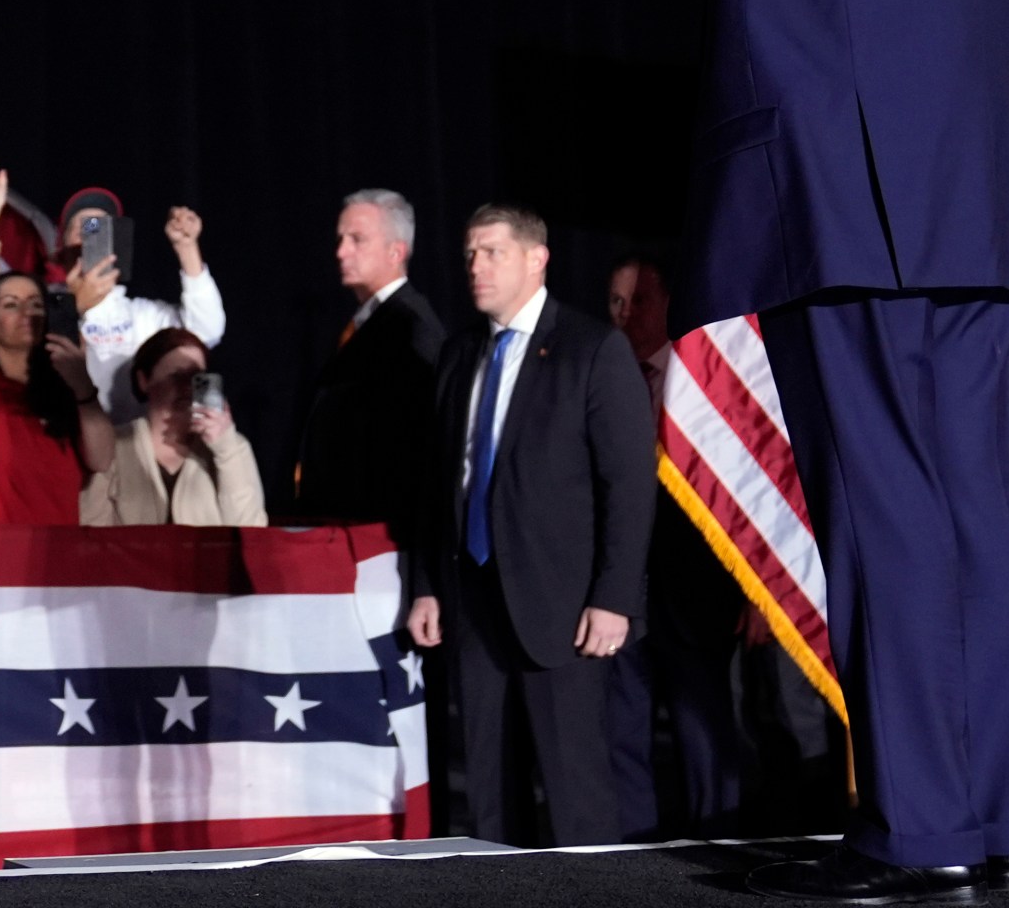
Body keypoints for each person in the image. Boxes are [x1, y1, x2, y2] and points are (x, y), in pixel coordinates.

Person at [372, 0, 1009, 899]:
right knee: (978, 532)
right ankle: (995, 823)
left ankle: (921, 834)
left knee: (884, 530)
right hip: (978, 237)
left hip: (853, 231)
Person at [405, 205, 654, 849]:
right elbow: (440, 481)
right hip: (475, 597)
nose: (475, 268)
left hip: (565, 606)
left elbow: (626, 487)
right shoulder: (462, 351)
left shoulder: (592, 347)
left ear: (536, 258)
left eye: (491, 252)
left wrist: (613, 597)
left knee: (574, 788)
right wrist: (430, 583)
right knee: (489, 788)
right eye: (468, 254)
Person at [604, 256, 748, 839]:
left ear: (666, 304)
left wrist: (753, 594)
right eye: (614, 302)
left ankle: (716, 840)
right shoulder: (604, 380)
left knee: (703, 730)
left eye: (637, 301)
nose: (625, 315)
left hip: (696, 593)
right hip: (621, 594)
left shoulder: (706, 387)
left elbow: (742, 495)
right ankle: (631, 849)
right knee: (621, 730)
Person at [0, 148, 113, 525]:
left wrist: (83, 389)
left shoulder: (63, 381)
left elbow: (102, 459)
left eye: (36, 304)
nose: (27, 313)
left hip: (48, 564)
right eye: (11, 305)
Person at [293, 189, 444, 526]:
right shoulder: (365, 323)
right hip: (341, 525)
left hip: (376, 534)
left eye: (357, 239)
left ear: (396, 251)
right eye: (341, 239)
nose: (341, 251)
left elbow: (408, 446)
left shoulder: (411, 328)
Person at [49, 187, 225, 415]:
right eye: (85, 228)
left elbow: (206, 332)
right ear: (61, 251)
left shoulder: (141, 315)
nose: (92, 237)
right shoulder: (43, 308)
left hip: (136, 444)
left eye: (102, 229)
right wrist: (75, 305)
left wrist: (186, 247)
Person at [80, 329, 267, 527]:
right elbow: (92, 531)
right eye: (177, 376)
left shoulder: (233, 448)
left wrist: (226, 449)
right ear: (144, 380)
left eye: (196, 377)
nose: (188, 387)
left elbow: (251, 531)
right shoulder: (111, 446)